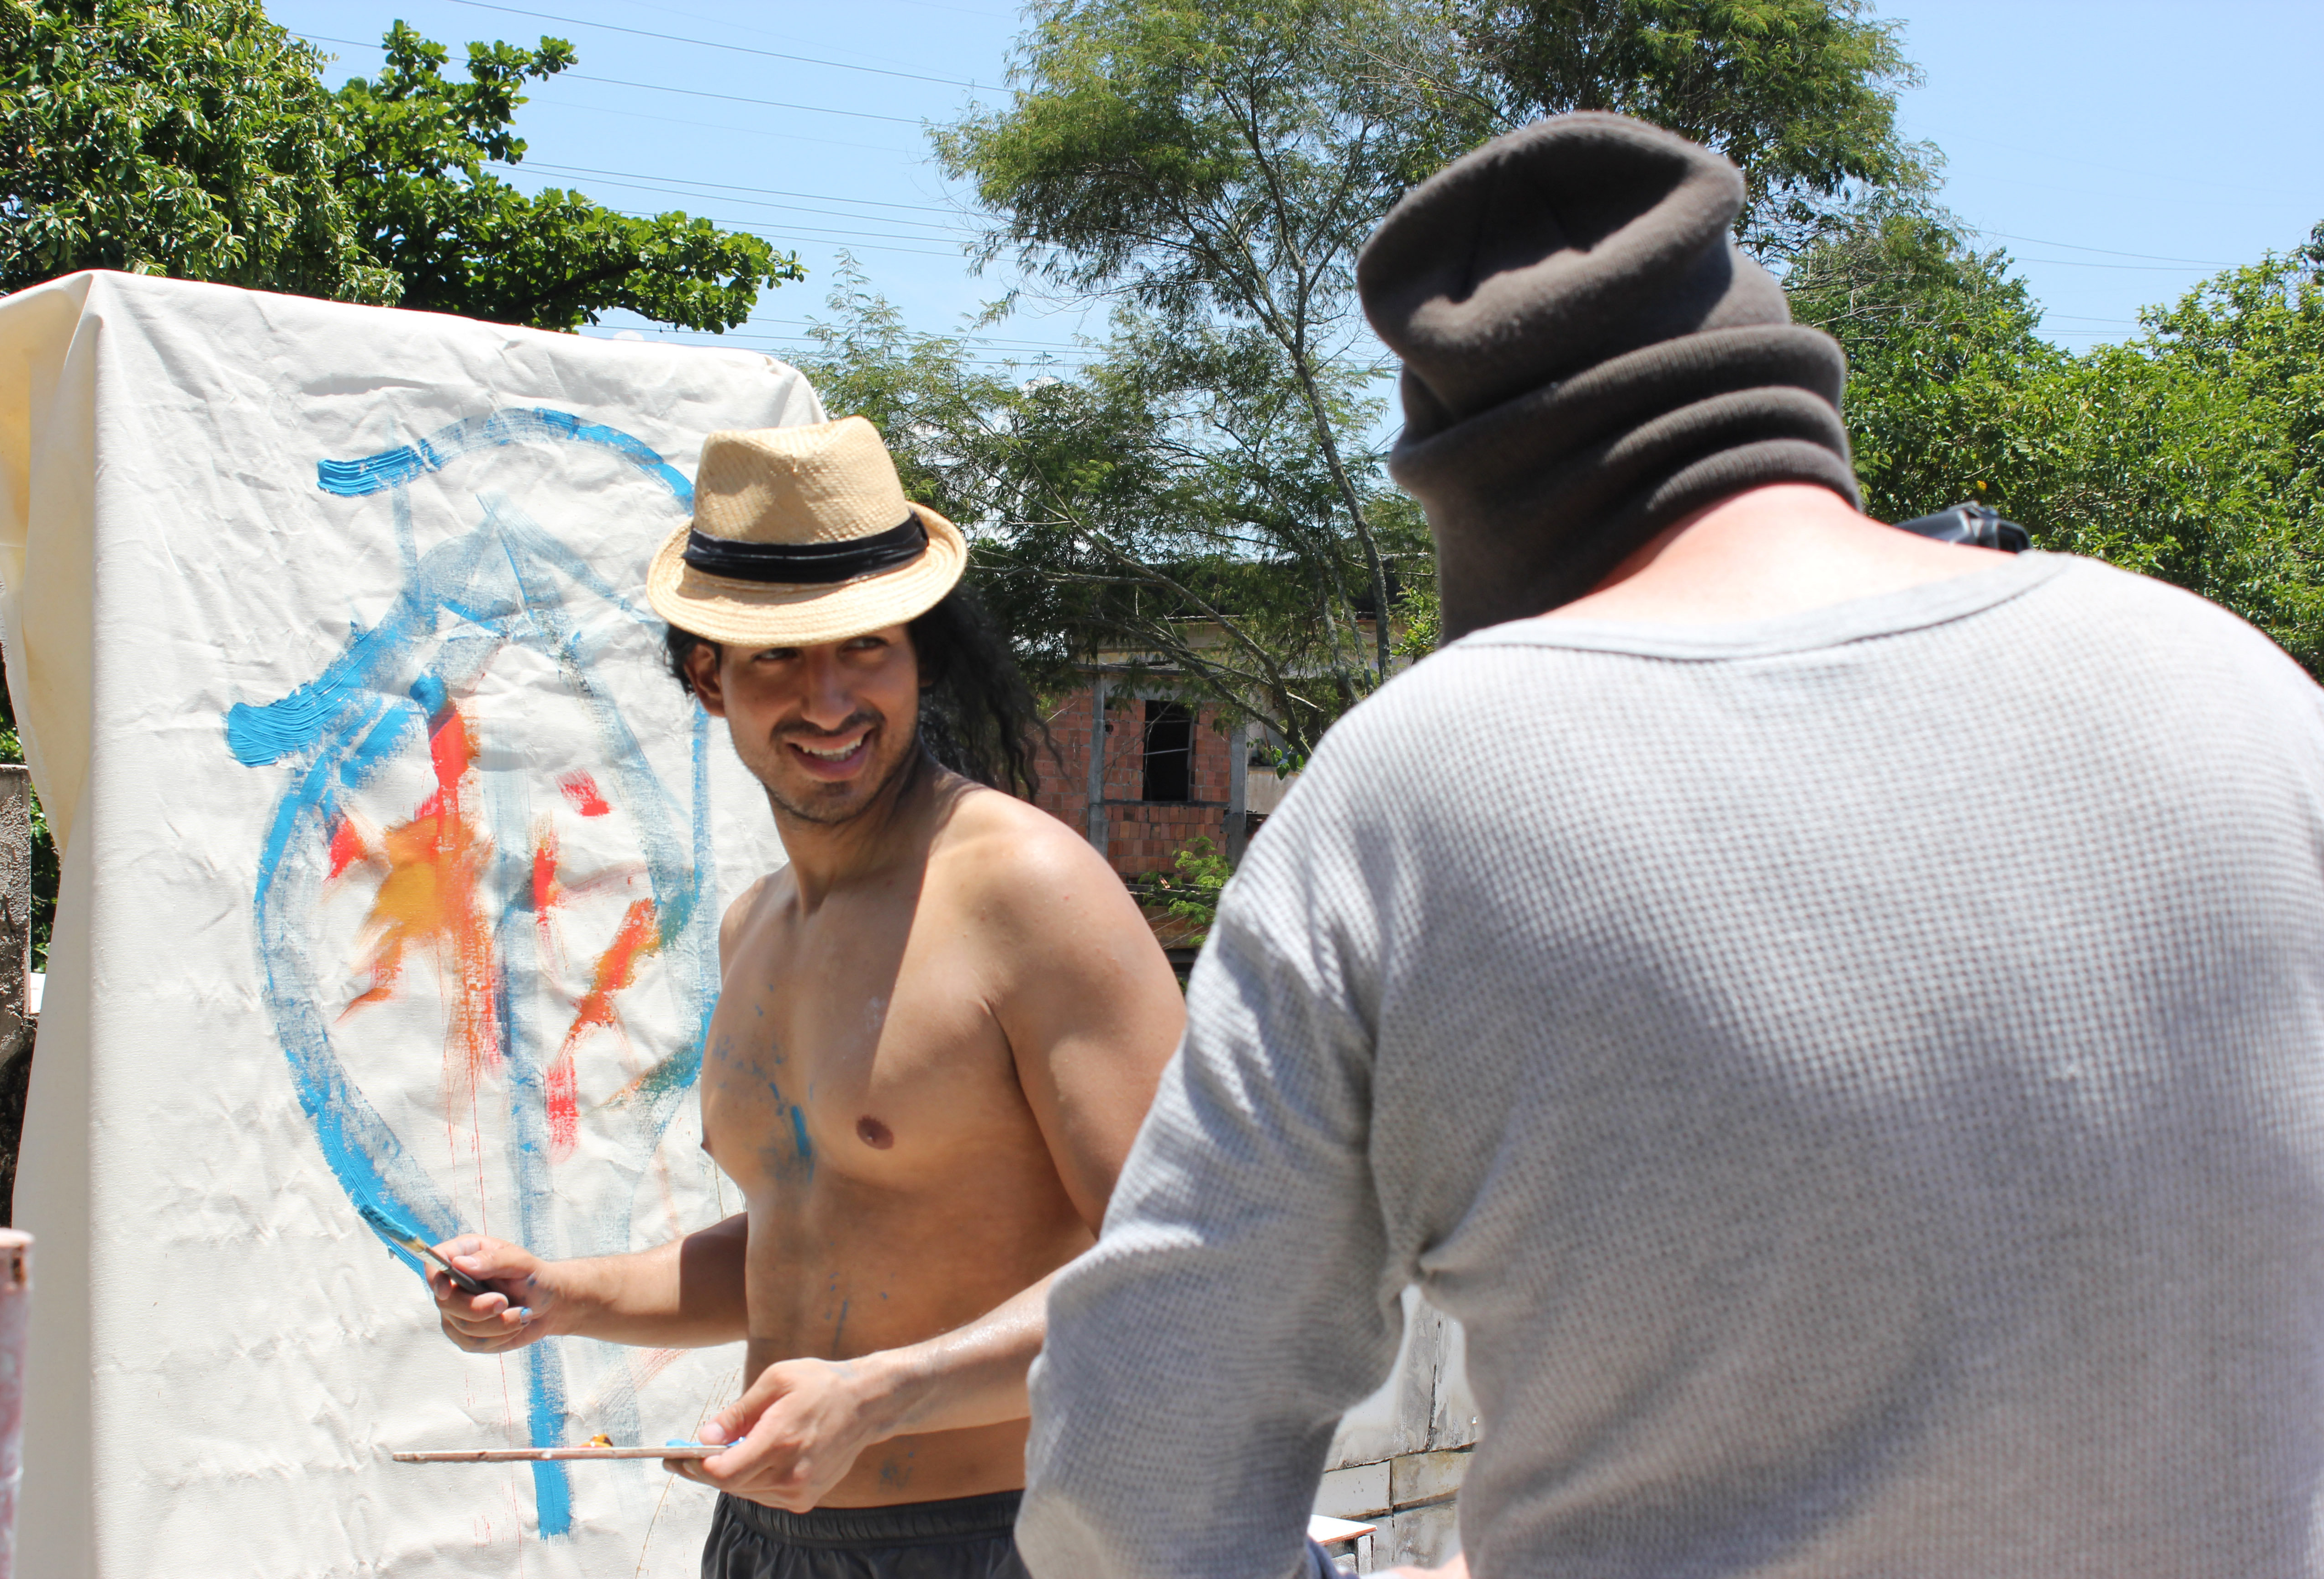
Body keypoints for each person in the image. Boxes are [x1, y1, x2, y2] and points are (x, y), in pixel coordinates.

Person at [1015, 113, 2324, 1579]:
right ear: (1788, 391)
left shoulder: (1417, 797)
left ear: (1472, 497)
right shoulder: (2242, 692)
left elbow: (1130, 1488)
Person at [425, 416, 1187, 1579]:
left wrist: (881, 1400)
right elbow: (806, 1243)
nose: (829, 701)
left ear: (918, 655)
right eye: (778, 658)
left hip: (1007, 1539)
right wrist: (561, 1295)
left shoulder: (1027, 891)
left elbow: (1180, 1269)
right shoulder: (759, 926)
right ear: (706, 676)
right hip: (769, 1542)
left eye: (866, 647)